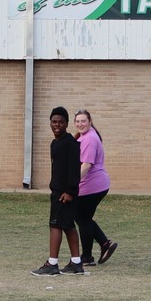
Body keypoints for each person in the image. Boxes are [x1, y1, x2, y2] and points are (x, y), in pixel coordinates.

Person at [31, 107, 84, 276]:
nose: (57, 125)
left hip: (64, 194)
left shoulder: (71, 144)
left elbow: (74, 170)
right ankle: (76, 263)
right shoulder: (55, 143)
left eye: (61, 122)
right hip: (57, 190)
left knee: (55, 225)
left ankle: (52, 264)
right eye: (54, 122)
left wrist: (70, 191)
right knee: (68, 225)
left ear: (67, 124)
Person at [73, 109, 118, 267]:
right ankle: (104, 245)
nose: (80, 124)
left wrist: (72, 183)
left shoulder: (90, 139)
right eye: (77, 121)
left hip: (92, 186)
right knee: (83, 219)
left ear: (90, 121)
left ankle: (88, 257)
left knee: (83, 219)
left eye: (83, 121)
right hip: (94, 185)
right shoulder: (86, 135)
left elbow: (86, 164)